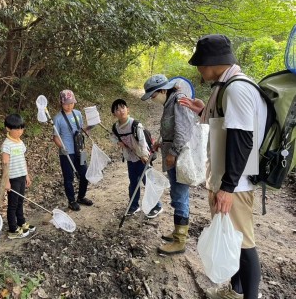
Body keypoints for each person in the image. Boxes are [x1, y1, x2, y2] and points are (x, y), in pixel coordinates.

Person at [179, 34, 267, 299]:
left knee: (244, 241)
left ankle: (249, 295)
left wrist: (227, 188)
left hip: (236, 182)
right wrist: (201, 109)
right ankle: (236, 289)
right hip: (226, 178)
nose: (198, 69)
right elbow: (226, 127)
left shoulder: (238, 89)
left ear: (212, 62)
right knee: (234, 239)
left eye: (200, 64)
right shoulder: (224, 85)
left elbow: (242, 140)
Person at [141, 74, 195, 255]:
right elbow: (170, 127)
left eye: (153, 96)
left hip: (178, 157)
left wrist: (172, 153)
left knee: (180, 195)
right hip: (171, 152)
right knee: (176, 193)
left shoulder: (178, 100)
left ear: (163, 90)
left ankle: (180, 241)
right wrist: (160, 142)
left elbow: (183, 131)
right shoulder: (169, 101)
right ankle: (177, 232)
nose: (153, 100)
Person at [110, 99, 163, 217]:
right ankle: (134, 205)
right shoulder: (116, 127)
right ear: (114, 114)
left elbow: (143, 141)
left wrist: (144, 155)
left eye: (123, 108)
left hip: (142, 158)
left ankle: (157, 205)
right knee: (133, 182)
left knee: (148, 182)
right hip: (130, 159)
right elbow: (112, 137)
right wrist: (119, 143)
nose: (121, 111)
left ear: (128, 109)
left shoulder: (135, 125)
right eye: (117, 110)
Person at [53, 89, 93, 211]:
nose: (69, 105)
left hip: (80, 150)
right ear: (61, 103)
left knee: (85, 174)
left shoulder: (78, 114)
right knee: (68, 177)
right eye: (66, 103)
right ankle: (71, 201)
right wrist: (62, 147)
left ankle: (81, 197)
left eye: (71, 103)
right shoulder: (57, 119)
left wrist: (90, 127)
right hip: (67, 152)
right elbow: (55, 137)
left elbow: (81, 131)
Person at [2, 113, 36, 239]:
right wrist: (6, 181)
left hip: (21, 176)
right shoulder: (6, 145)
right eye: (17, 129)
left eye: (22, 128)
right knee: (13, 204)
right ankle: (12, 228)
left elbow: (23, 160)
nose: (20, 131)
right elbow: (5, 163)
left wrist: (27, 175)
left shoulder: (20, 143)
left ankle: (21, 222)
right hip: (13, 178)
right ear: (8, 129)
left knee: (20, 201)